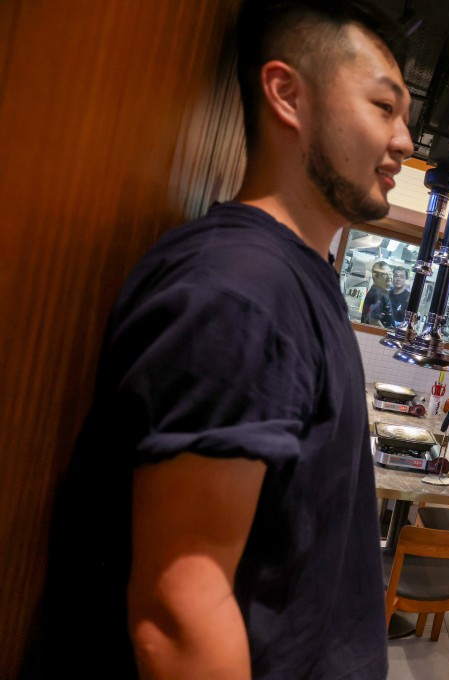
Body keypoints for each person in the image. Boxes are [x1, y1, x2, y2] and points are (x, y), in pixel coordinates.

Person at [22, 2, 413, 678]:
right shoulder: (240, 289)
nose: (405, 140)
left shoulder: (294, 275)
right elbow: (180, 614)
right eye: (384, 107)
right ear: (287, 94)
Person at [361, 259, 394, 326]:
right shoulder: (377, 294)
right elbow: (373, 320)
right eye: (384, 274)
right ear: (376, 277)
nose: (389, 276)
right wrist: (385, 332)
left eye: (390, 273)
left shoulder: (380, 291)